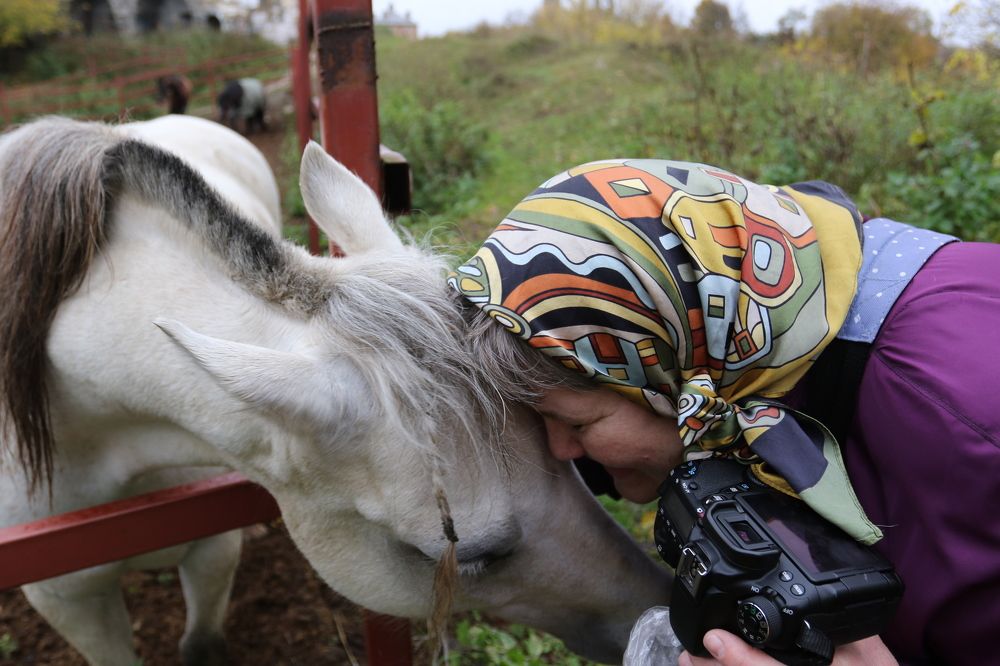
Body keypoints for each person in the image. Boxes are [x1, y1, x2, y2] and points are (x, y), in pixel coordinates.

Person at [449, 158, 1000, 666]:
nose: (561, 451)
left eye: (575, 423)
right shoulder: (778, 332)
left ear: (679, 362)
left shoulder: (965, 422)